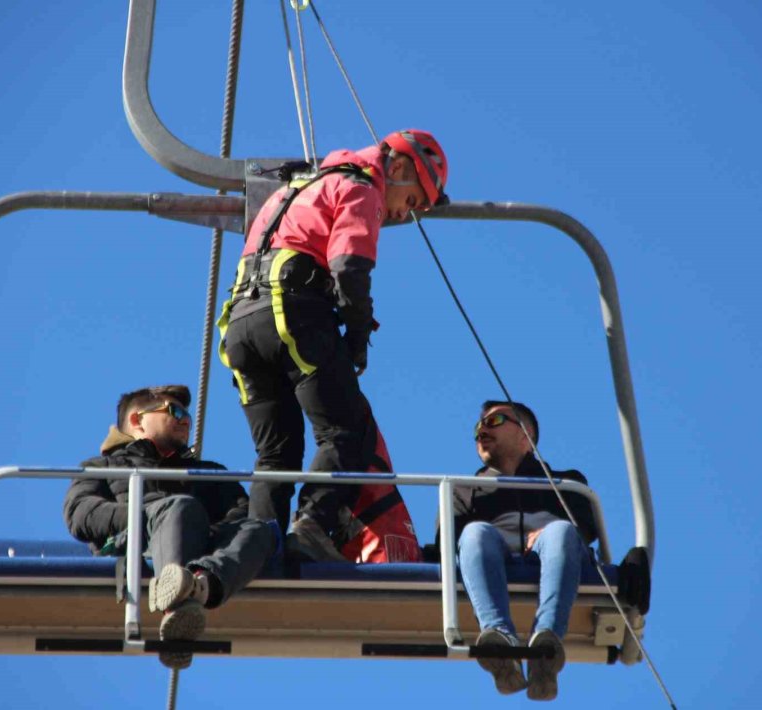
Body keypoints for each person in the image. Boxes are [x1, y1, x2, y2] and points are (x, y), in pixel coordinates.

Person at [218, 129, 448, 561]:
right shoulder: (361, 187)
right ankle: (312, 529)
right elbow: (349, 266)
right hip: (293, 313)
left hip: (240, 327)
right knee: (348, 428)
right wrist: (358, 337)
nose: (404, 215)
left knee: (275, 454)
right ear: (396, 167)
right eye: (413, 201)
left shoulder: (296, 187)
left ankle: (259, 549)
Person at [63, 384, 274, 669]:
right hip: (137, 545)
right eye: (174, 411)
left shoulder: (206, 473)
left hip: (204, 551)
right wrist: (148, 515)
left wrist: (198, 531)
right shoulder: (102, 467)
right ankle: (176, 603)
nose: (186, 420)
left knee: (260, 530)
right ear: (138, 420)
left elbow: (238, 514)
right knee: (179, 507)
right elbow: (80, 513)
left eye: (188, 414)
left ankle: (198, 586)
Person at [444, 400, 598, 701]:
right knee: (475, 532)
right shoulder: (463, 488)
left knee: (561, 530)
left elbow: (585, 527)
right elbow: (445, 542)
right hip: (492, 549)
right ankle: (499, 639)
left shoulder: (565, 483)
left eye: (495, 421)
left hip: (552, 546)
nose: (481, 430)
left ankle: (546, 641)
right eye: (478, 426)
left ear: (525, 435)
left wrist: (548, 528)